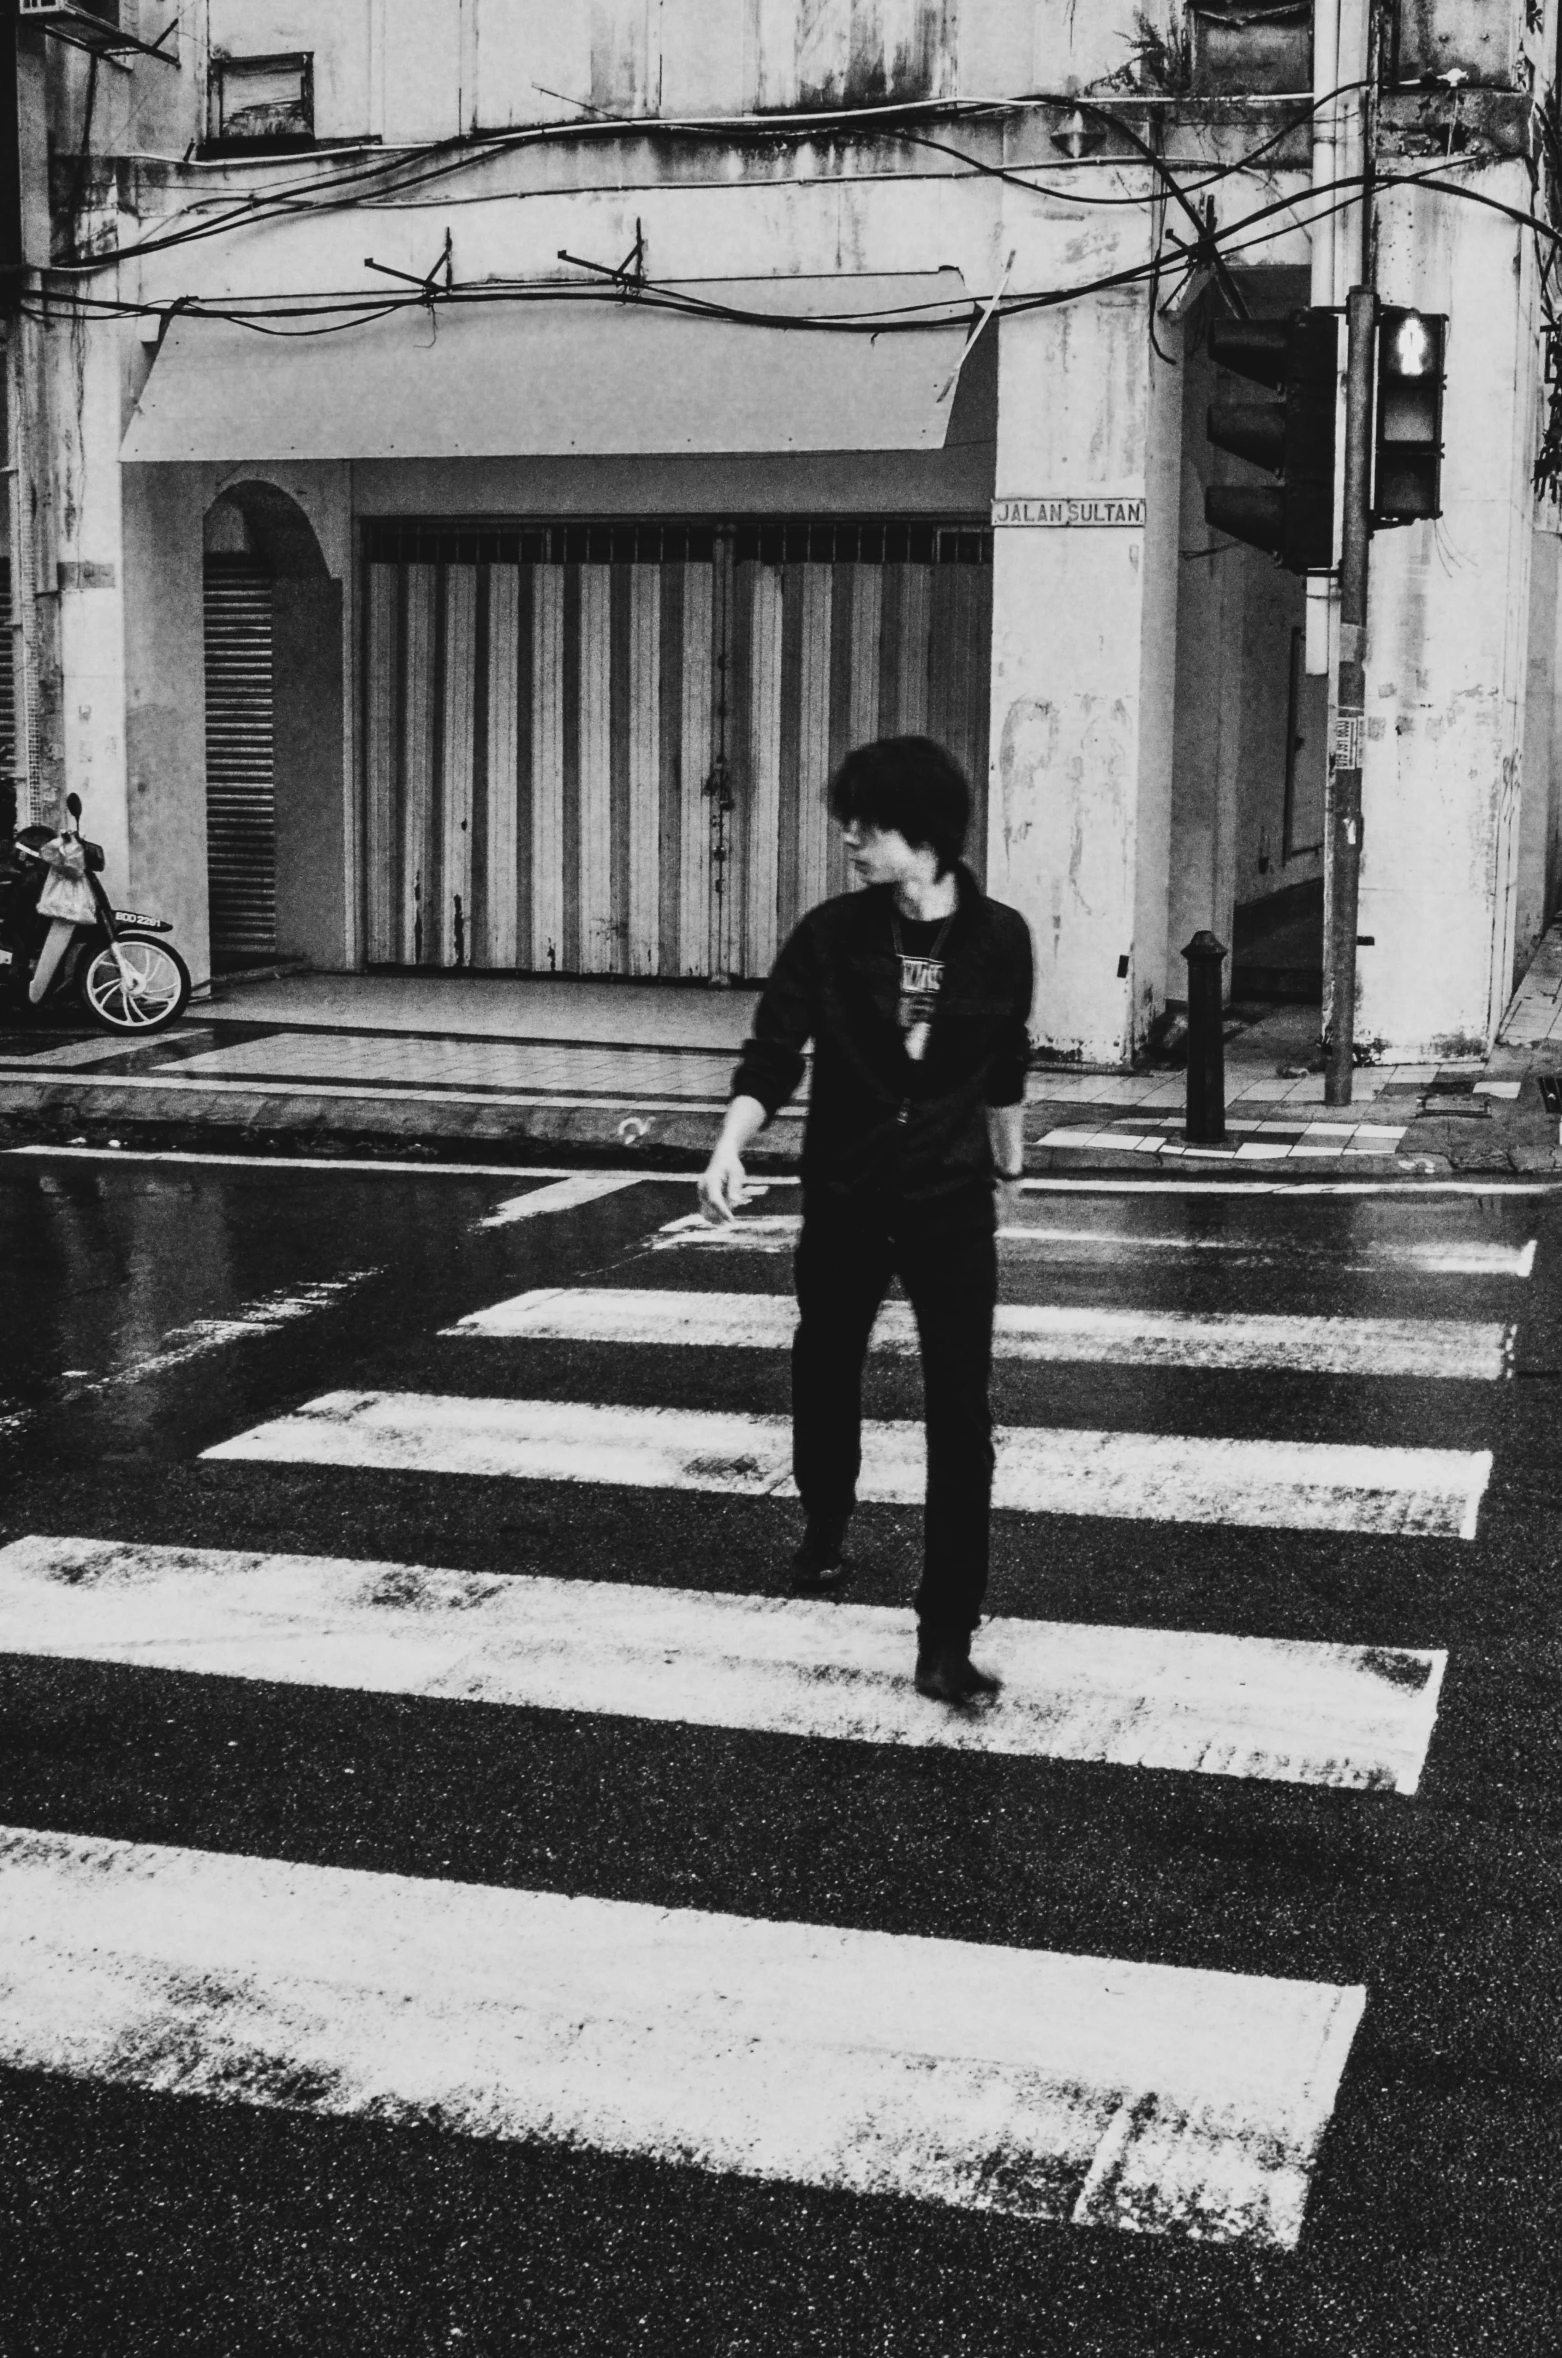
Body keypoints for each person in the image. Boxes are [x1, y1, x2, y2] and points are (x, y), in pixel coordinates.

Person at [698, 736, 1035, 1705]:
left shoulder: (998, 938)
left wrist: (1009, 1163)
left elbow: (1002, 1062)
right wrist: (731, 1143)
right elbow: (772, 1052)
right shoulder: (832, 933)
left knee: (961, 1416)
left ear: (921, 835)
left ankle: (944, 1636)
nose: (846, 836)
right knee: (825, 1363)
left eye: (865, 822)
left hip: (947, 1204)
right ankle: (825, 1515)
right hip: (845, 1199)